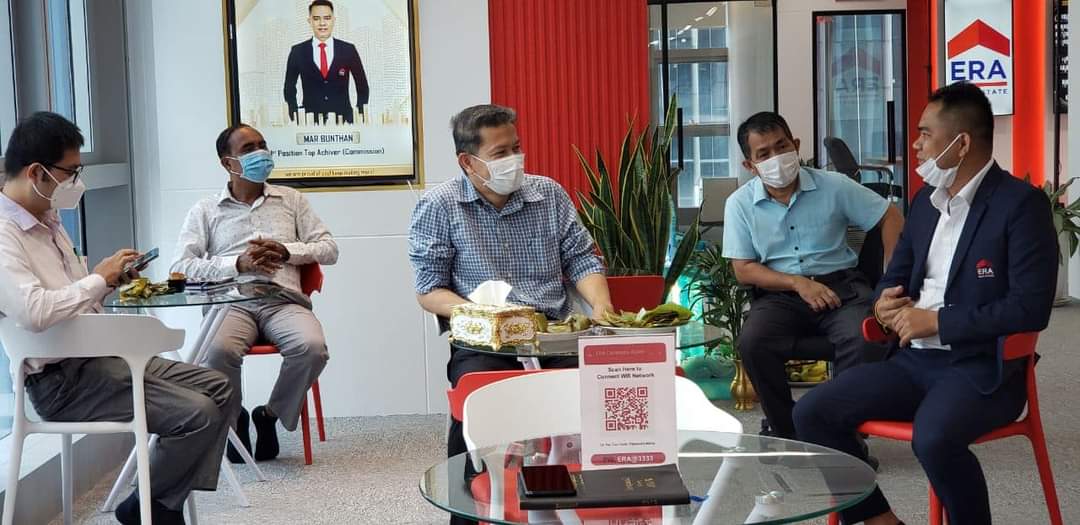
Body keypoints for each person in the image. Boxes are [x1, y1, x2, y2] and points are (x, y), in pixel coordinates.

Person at [794, 82, 1058, 525]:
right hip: (912, 363)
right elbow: (895, 276)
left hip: (984, 368)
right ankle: (881, 521)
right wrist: (882, 304)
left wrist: (937, 321)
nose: (915, 145)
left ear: (961, 143)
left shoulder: (1020, 205)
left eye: (925, 133)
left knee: (934, 439)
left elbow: (1029, 309)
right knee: (811, 413)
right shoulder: (925, 203)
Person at [0, 112, 236, 525]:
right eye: (70, 172)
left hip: (98, 357)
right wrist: (97, 280)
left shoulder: (49, 221)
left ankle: (154, 502)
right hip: (60, 382)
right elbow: (35, 312)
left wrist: (106, 280)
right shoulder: (5, 234)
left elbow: (73, 301)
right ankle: (156, 507)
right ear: (36, 172)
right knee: (198, 414)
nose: (76, 183)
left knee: (220, 388)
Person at [408, 104, 614, 461]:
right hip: (486, 342)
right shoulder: (439, 206)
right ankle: (470, 489)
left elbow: (582, 259)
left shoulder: (549, 194)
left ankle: (583, 487)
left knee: (601, 395)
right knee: (477, 406)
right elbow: (429, 290)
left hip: (555, 333)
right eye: (500, 153)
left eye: (516, 148)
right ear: (468, 162)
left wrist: (602, 305)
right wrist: (487, 316)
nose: (514, 160)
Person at [722, 111, 904, 440]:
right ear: (750, 165)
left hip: (842, 289)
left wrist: (891, 275)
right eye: (764, 153)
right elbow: (743, 268)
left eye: (782, 146)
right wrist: (798, 283)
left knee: (863, 337)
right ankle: (789, 431)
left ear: (796, 144)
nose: (776, 157)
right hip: (780, 295)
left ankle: (844, 436)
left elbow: (890, 216)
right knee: (753, 342)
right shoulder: (740, 204)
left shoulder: (834, 186)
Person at [172, 123, 338, 463]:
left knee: (312, 349)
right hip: (230, 302)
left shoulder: (291, 200)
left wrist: (287, 251)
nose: (260, 153)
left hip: (283, 300)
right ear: (227, 163)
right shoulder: (206, 210)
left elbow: (329, 249)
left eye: (262, 145)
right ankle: (234, 421)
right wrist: (237, 264)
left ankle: (270, 415)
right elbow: (182, 266)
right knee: (216, 351)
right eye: (248, 149)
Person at [284, 0, 370, 125]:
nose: (322, 23)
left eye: (327, 18)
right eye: (316, 18)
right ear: (309, 21)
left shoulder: (348, 50)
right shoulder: (297, 51)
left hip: (344, 122)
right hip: (309, 123)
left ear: (334, 20)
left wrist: (358, 116)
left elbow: (362, 87)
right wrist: (295, 116)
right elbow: (289, 88)